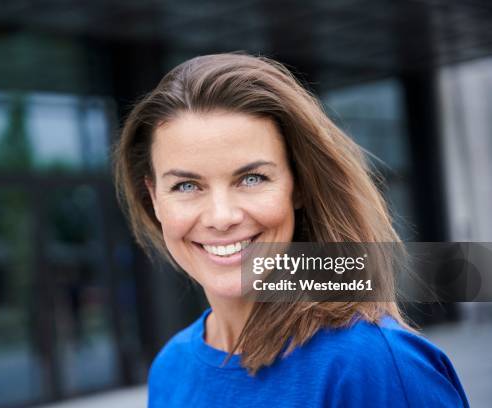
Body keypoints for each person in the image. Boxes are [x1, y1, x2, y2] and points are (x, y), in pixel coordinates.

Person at [113, 53, 469, 407]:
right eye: (187, 186)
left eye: (252, 179)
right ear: (154, 198)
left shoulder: (373, 365)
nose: (220, 217)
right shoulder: (170, 369)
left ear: (298, 187)